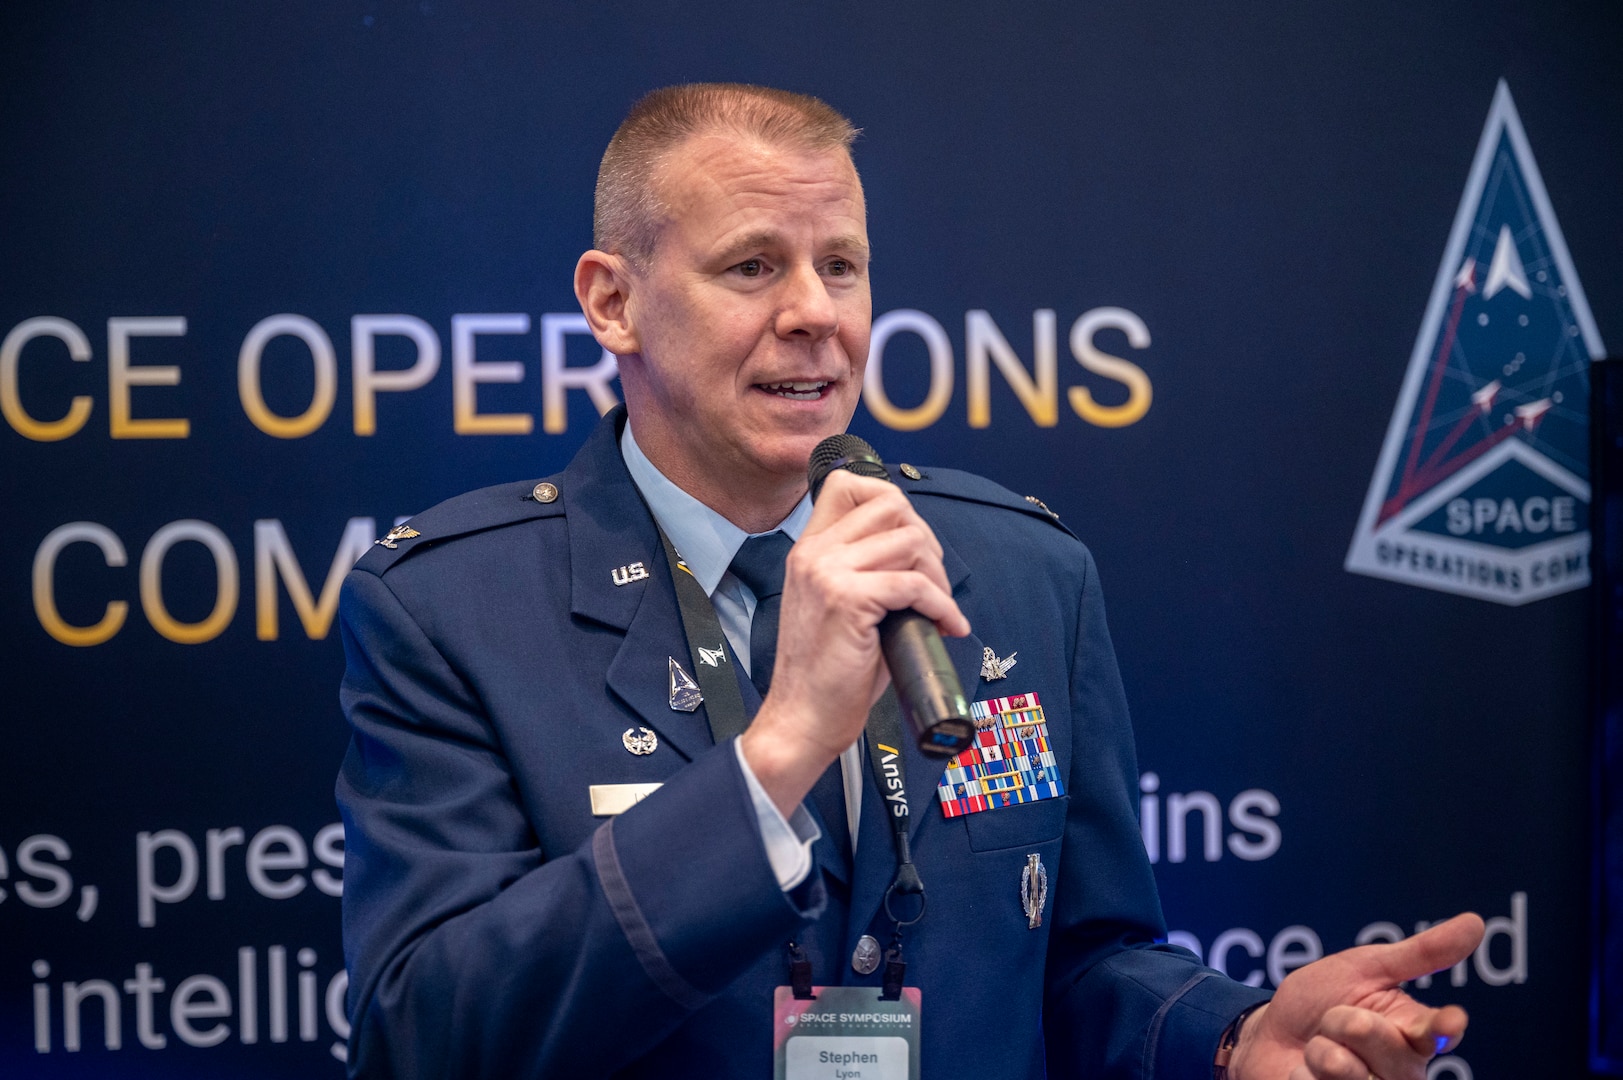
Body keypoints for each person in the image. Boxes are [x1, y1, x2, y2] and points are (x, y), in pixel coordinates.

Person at [336, 83, 1484, 1079]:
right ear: (611, 300)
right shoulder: (452, 611)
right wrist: (775, 754)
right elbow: (425, 1034)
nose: (815, 314)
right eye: (752, 266)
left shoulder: (1025, 573)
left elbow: (1084, 963)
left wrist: (1235, 1040)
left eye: (842, 265)